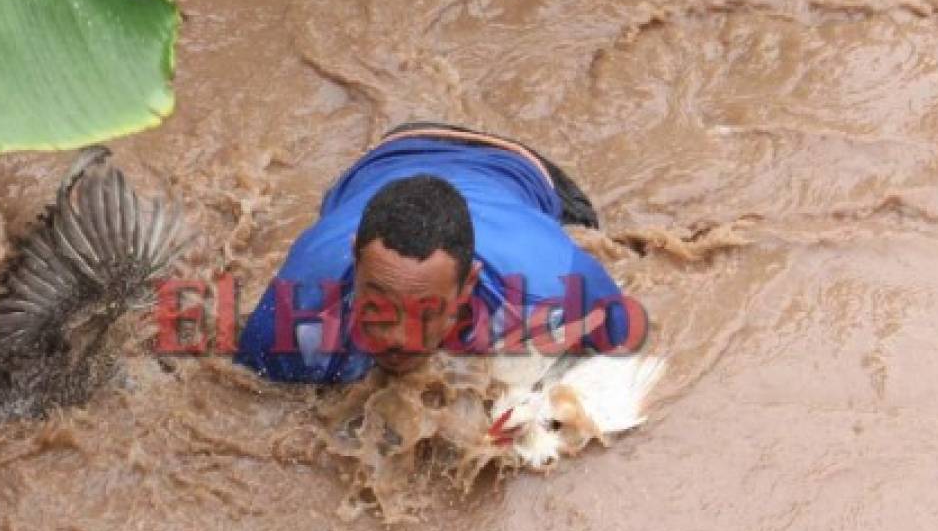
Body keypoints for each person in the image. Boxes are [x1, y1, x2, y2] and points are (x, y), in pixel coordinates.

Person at [233, 123, 646, 383]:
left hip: (515, 169)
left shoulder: (553, 285)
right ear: (353, 260)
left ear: (469, 282)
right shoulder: (295, 308)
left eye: (424, 312)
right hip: (383, 161)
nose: (396, 337)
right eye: (378, 306)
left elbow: (627, 351)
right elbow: (246, 402)